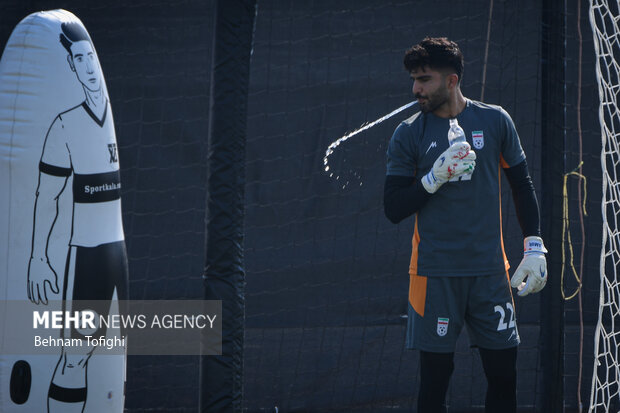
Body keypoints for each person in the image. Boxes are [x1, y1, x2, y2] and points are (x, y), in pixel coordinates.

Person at [383, 37, 547, 413]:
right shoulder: (409, 132)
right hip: (434, 274)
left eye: (424, 79)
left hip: (491, 275)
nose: (415, 89)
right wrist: (432, 179)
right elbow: (393, 207)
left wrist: (534, 245)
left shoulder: (494, 120)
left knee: (504, 376)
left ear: (452, 80)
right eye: (413, 79)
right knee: (436, 380)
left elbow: (522, 185)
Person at [27, 21, 127, 413]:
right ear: (71, 66)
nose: (87, 66)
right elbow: (46, 196)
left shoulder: (108, 123)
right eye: (79, 59)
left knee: (114, 357)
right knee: (75, 356)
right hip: (85, 256)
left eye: (91, 58)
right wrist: (38, 258)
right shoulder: (64, 125)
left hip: (116, 253)